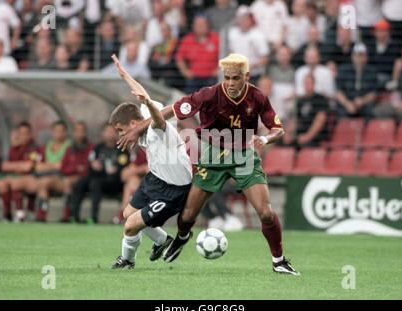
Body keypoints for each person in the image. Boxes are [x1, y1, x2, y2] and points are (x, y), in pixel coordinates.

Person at [117, 53, 299, 275]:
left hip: (244, 155)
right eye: (227, 78)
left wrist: (265, 139)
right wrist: (138, 128)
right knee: (187, 216)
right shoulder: (210, 94)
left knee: (266, 213)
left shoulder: (258, 97)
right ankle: (181, 238)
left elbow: (278, 129)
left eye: (236, 78)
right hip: (213, 155)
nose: (231, 83)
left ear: (247, 76)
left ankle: (279, 261)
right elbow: (172, 109)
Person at [110, 54, 192, 269]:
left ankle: (127, 261)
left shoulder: (156, 129)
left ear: (135, 123)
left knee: (130, 226)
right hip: (155, 178)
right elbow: (142, 95)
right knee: (128, 214)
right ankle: (163, 240)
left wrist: (147, 104)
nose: (120, 135)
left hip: (174, 189)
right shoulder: (144, 110)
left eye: (121, 130)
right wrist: (124, 74)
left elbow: (158, 119)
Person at [70, 123, 130, 224]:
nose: (109, 134)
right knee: (80, 183)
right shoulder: (97, 148)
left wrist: (113, 170)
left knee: (95, 184)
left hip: (114, 183)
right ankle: (74, 217)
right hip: (98, 178)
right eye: (107, 131)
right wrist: (94, 166)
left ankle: (93, 217)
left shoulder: (122, 148)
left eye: (112, 132)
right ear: (103, 133)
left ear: (117, 134)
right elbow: (91, 166)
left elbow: (122, 168)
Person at [36, 121, 93, 223]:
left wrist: (49, 166)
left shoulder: (71, 146)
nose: (59, 134)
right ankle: (41, 214)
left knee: (63, 182)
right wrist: (56, 166)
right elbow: (40, 166)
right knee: (41, 183)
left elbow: (67, 167)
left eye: (61, 131)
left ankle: (67, 215)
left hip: (64, 179)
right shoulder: (47, 146)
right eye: (56, 131)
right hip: (52, 177)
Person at [283, 74, 329, 147]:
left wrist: (308, 136)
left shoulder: (321, 99)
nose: (306, 85)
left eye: (309, 83)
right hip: (300, 135)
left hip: (316, 136)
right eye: (305, 83)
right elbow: (294, 120)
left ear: (314, 84)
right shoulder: (300, 100)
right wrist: (288, 134)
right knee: (282, 143)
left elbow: (320, 120)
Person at [335, 43, 378, 118]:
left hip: (364, 104)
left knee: (370, 112)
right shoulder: (343, 70)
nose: (359, 58)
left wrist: (363, 101)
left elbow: (373, 93)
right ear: (352, 56)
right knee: (341, 113)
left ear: (366, 57)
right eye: (357, 55)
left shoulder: (372, 72)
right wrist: (347, 104)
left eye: (362, 55)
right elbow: (338, 92)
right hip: (347, 102)